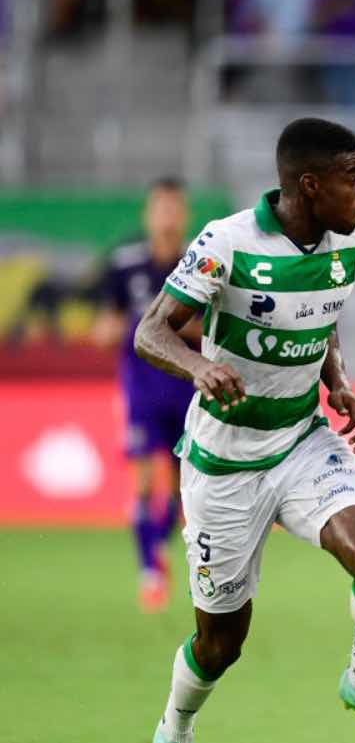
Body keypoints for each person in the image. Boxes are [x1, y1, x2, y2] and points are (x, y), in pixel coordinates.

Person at [136, 119, 355, 743]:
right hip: (222, 463)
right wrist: (199, 366)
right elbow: (151, 331)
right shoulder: (228, 242)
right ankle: (176, 725)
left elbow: (323, 319)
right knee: (222, 642)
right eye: (353, 178)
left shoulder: (348, 243)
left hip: (302, 441)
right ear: (309, 184)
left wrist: (340, 382)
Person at [92, 178, 198, 613]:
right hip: (141, 389)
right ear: (148, 214)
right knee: (140, 480)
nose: (167, 217)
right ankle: (149, 571)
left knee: (178, 488)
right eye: (160, 208)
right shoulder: (125, 264)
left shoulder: (200, 264)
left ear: (184, 214)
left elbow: (209, 331)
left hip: (186, 388)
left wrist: (164, 327)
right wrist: (113, 330)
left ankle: (160, 549)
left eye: (174, 209)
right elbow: (105, 325)